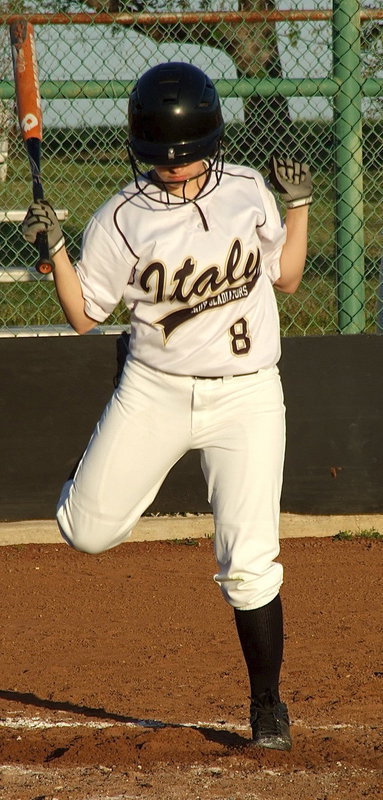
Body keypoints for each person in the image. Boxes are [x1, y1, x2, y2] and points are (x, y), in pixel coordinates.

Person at [22, 61, 312, 751]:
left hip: (246, 395)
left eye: (188, 159)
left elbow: (290, 278)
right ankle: (92, 464)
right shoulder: (120, 218)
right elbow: (85, 316)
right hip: (154, 388)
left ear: (213, 145)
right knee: (86, 533)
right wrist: (57, 249)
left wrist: (298, 206)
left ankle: (266, 704)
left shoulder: (246, 192)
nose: (176, 172)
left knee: (248, 561)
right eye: (162, 162)